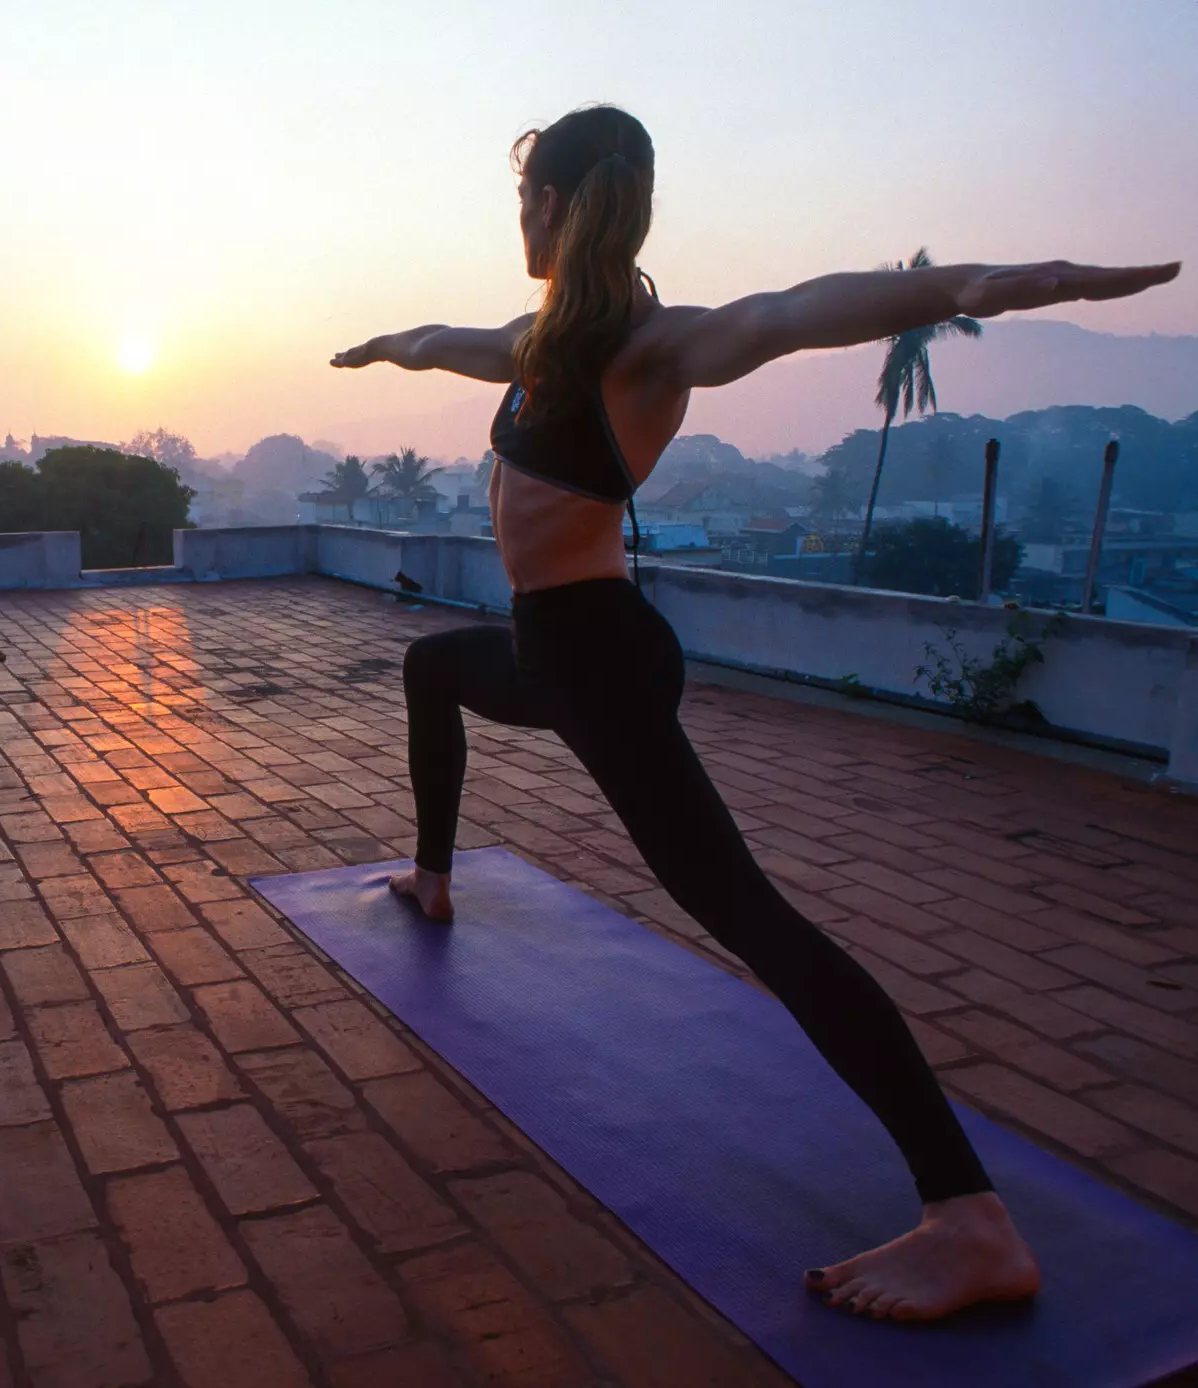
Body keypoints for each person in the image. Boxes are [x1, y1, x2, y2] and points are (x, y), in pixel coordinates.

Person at [330, 104, 1178, 1323]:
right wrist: (381, 347)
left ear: (560, 206)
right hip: (549, 652)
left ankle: (971, 1216)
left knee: (752, 921)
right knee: (430, 666)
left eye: (525, 200)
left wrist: (1023, 281)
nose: (515, 220)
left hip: (604, 666)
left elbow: (801, 313)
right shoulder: (539, 341)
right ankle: (433, 873)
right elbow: (441, 338)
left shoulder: (656, 347)